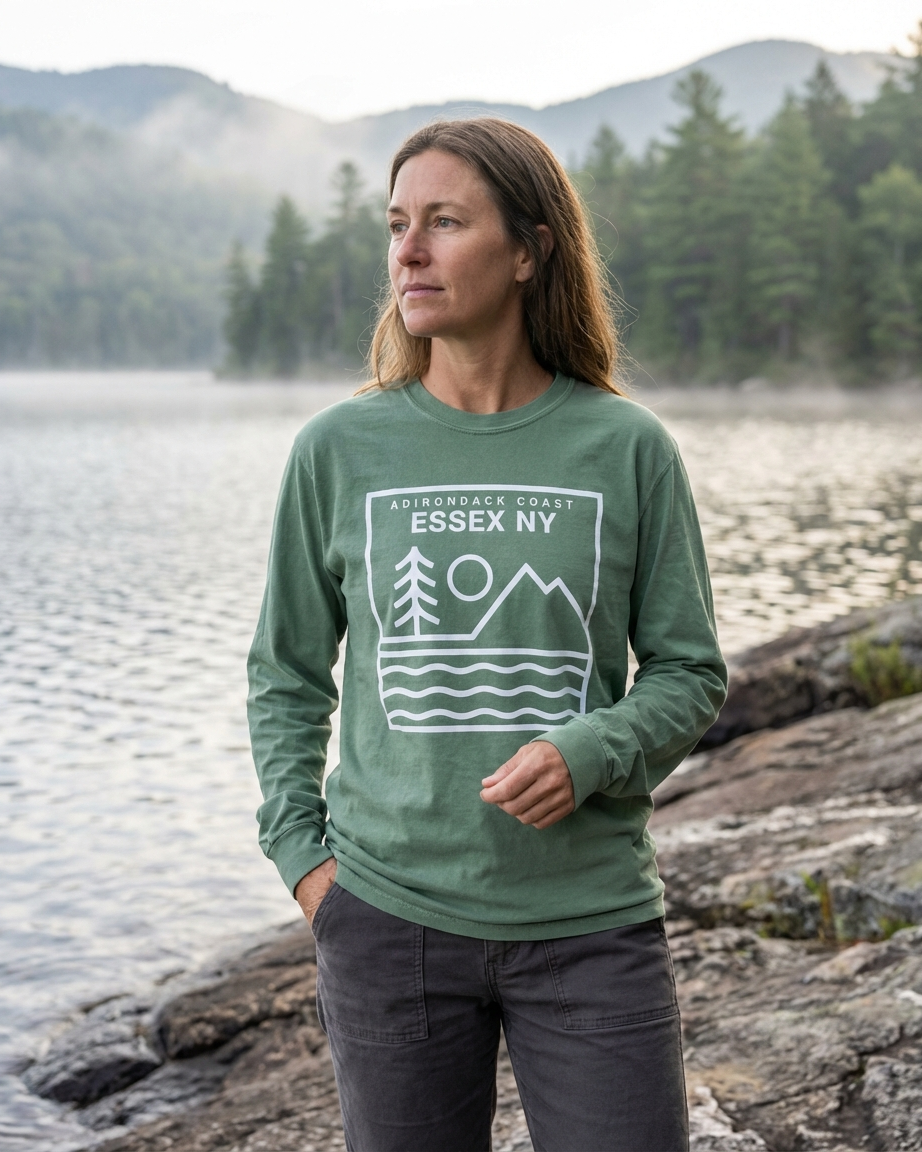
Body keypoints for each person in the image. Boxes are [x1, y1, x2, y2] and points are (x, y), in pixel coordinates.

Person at [247, 117, 727, 1152]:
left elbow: (689, 671)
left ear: (526, 249)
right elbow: (286, 671)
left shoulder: (624, 447)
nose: (407, 253)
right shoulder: (338, 448)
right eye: (395, 226)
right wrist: (302, 860)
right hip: (385, 923)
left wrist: (587, 750)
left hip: (590, 926)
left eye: (444, 222)